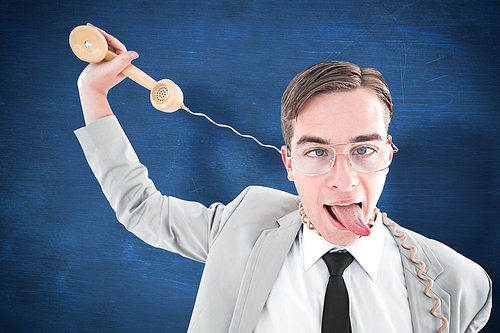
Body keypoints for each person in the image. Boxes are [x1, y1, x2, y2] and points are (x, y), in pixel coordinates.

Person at [74, 24, 492, 333]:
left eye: (364, 150)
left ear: (388, 154)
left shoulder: (461, 286)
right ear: (288, 164)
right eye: (317, 152)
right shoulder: (243, 225)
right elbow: (142, 209)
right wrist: (94, 96)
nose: (343, 181)